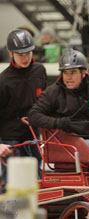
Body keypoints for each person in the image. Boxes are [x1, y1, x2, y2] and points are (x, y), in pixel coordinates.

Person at [0, 29, 47, 191]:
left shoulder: (40, 71)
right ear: (11, 53)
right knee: (12, 183)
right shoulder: (3, 81)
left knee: (35, 182)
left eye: (28, 53)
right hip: (10, 139)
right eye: (20, 54)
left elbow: (44, 102)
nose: (25, 58)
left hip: (33, 135)